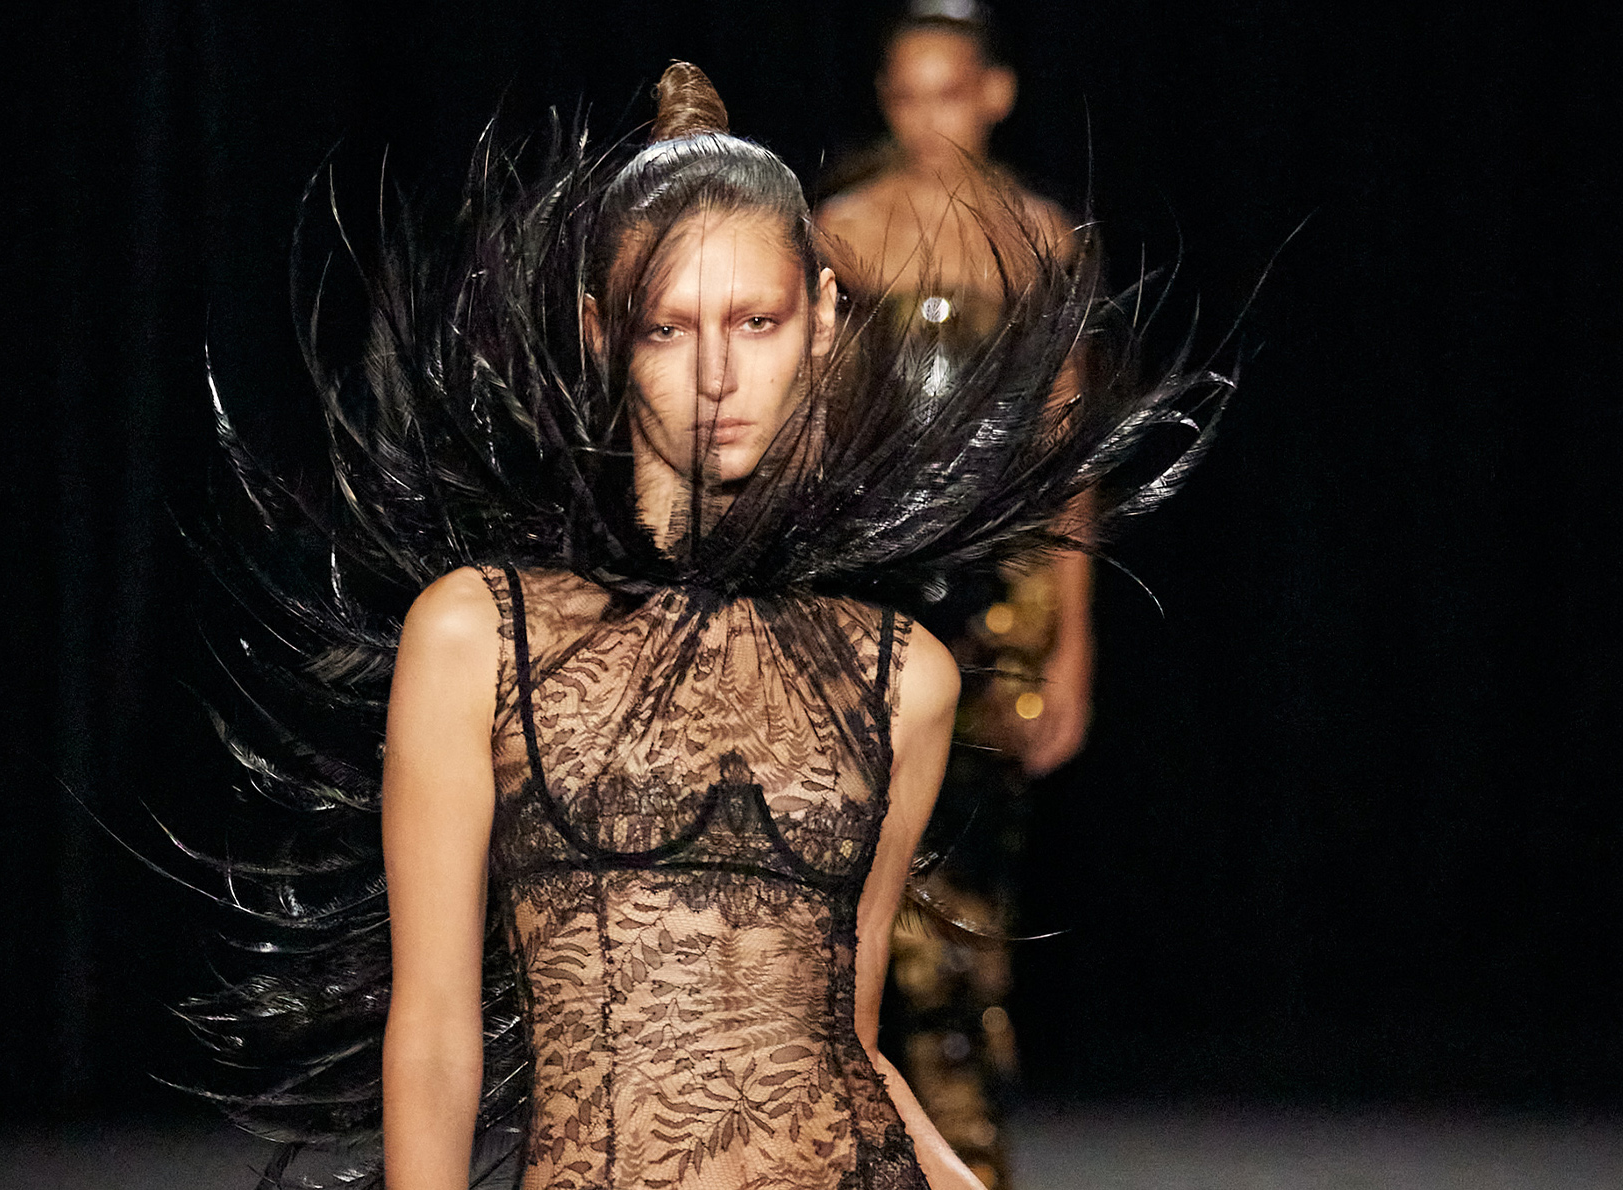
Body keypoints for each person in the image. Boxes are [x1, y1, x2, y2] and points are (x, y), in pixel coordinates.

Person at [185, 60, 1223, 1190]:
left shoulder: (899, 678)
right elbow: (434, 1030)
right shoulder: (480, 637)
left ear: (823, 319)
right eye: (667, 327)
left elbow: (851, 1043)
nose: (718, 372)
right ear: (599, 332)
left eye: (755, 321)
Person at [816, 6, 1093, 1184]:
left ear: (995, 93)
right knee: (859, 871)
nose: (928, 119)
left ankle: (966, 1149)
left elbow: (1069, 448)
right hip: (876, 582)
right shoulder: (841, 230)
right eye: (906, 94)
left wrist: (1074, 647)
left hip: (1005, 597)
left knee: (969, 890)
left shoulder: (1042, 239)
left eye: (950, 91)